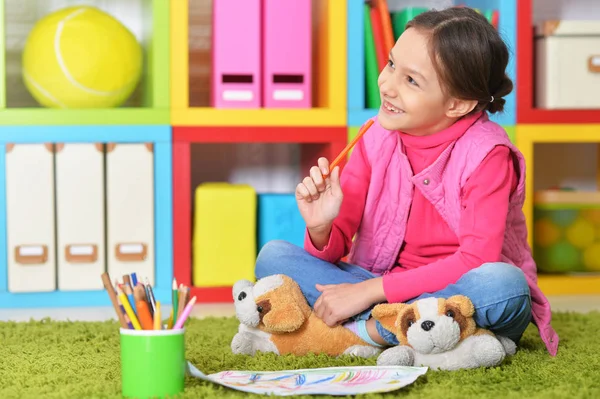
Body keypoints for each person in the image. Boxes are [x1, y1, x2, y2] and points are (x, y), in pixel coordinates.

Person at [254, 7, 558, 356]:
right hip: (378, 282)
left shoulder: (488, 155)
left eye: (411, 80)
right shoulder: (375, 136)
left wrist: (369, 293)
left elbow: (477, 260)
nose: (387, 85)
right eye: (391, 64)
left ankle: (364, 331)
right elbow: (337, 245)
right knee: (273, 257)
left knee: (504, 285)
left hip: (456, 292)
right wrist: (322, 227)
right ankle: (420, 331)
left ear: (458, 104)